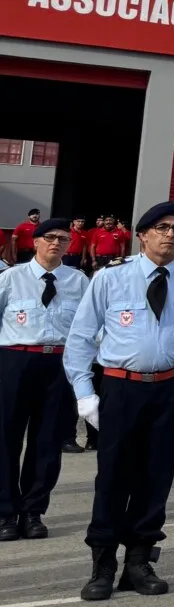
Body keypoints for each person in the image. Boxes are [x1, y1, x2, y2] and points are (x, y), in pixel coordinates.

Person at [66, 201, 174, 600]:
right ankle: (102, 563)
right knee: (114, 476)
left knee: (156, 477)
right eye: (163, 227)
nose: (171, 234)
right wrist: (85, 395)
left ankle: (140, 560)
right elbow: (81, 339)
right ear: (143, 234)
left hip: (170, 388)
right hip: (121, 388)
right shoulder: (111, 278)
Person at [0, 218, 85, 541]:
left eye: (64, 239)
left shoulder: (79, 282)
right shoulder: (11, 279)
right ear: (34, 242)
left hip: (59, 364)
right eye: (49, 237)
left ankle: (33, 511)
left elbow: (89, 328)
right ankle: (6, 512)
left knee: (48, 440)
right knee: (6, 438)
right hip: (15, 360)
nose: (56, 243)